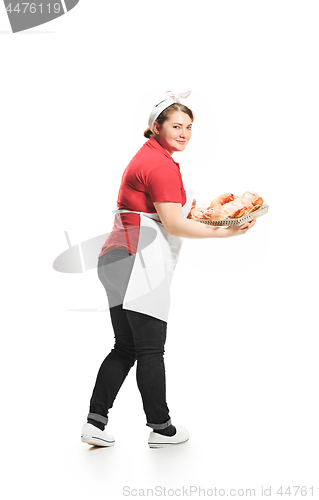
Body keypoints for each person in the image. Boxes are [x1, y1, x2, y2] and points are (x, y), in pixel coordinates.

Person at [81, 91, 256, 449]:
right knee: (149, 349)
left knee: (125, 347)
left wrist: (218, 212)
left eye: (189, 127)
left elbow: (172, 212)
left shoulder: (155, 158)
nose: (184, 133)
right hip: (135, 262)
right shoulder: (159, 165)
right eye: (176, 126)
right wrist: (226, 231)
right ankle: (161, 429)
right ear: (155, 126)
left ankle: (94, 424)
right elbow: (174, 225)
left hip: (115, 258)